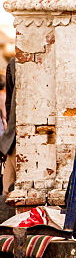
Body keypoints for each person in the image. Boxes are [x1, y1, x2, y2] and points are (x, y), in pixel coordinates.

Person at [0, 59, 16, 196]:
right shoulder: (14, 63)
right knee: (8, 189)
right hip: (14, 136)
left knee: (8, 189)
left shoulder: (14, 63)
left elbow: (9, 106)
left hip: (15, 135)